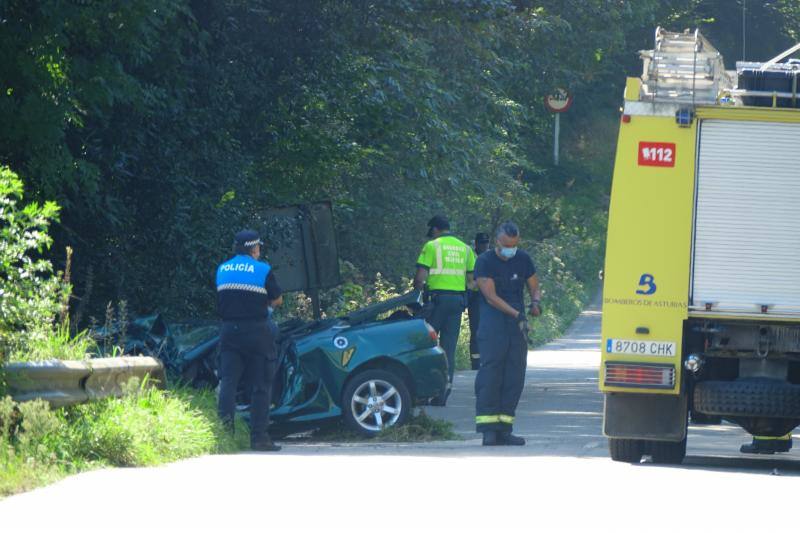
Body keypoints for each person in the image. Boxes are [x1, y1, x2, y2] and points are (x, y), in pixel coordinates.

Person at [216, 229, 283, 452]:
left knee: (228, 382)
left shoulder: (222, 269)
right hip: (257, 332)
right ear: (254, 248)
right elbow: (277, 300)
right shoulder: (263, 269)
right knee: (261, 384)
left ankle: (225, 436)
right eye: (259, 247)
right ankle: (259, 438)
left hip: (229, 332)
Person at [474, 221, 540, 446]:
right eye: (506, 245)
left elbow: (533, 283)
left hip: (516, 326)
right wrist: (517, 314)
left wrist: (536, 301)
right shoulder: (484, 261)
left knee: (514, 375)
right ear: (497, 242)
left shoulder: (522, 259)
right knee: (491, 374)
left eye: (514, 245)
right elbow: (491, 297)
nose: (510, 250)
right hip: (493, 323)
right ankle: (488, 431)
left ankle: (505, 429)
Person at [414, 215, 475, 388]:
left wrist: (417, 294)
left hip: (436, 302)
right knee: (449, 348)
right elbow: (473, 281)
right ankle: (445, 388)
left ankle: (427, 387)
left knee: (427, 344)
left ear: (435, 229)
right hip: (457, 302)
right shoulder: (466, 249)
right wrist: (464, 297)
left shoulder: (432, 246)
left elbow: (420, 278)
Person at [468, 232, 491, 370]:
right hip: (475, 298)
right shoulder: (471, 255)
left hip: (490, 297)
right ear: (476, 244)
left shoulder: (492, 257)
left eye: (486, 243)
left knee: (491, 329)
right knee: (476, 330)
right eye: (482, 243)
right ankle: (476, 363)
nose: (484, 246)